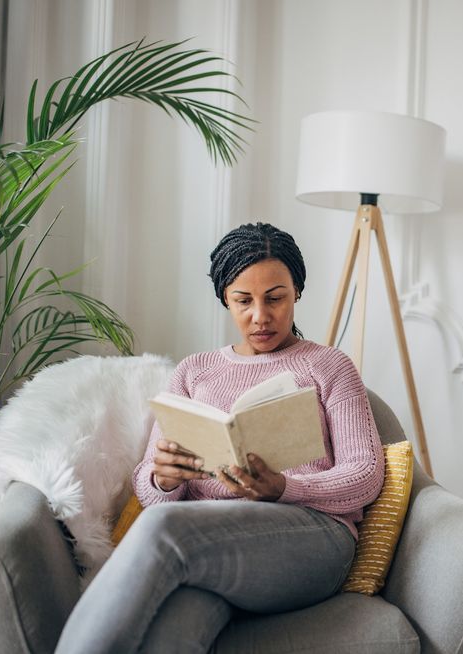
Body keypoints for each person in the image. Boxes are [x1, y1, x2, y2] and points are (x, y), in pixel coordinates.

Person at [55, 222, 385, 653]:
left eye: (275, 298)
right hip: (208, 545)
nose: (260, 316)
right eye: (243, 300)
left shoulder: (328, 366)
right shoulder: (194, 371)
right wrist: (163, 480)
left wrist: (285, 487)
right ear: (225, 299)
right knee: (173, 628)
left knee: (162, 527)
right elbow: (151, 490)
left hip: (313, 540)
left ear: (297, 292)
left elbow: (365, 476)